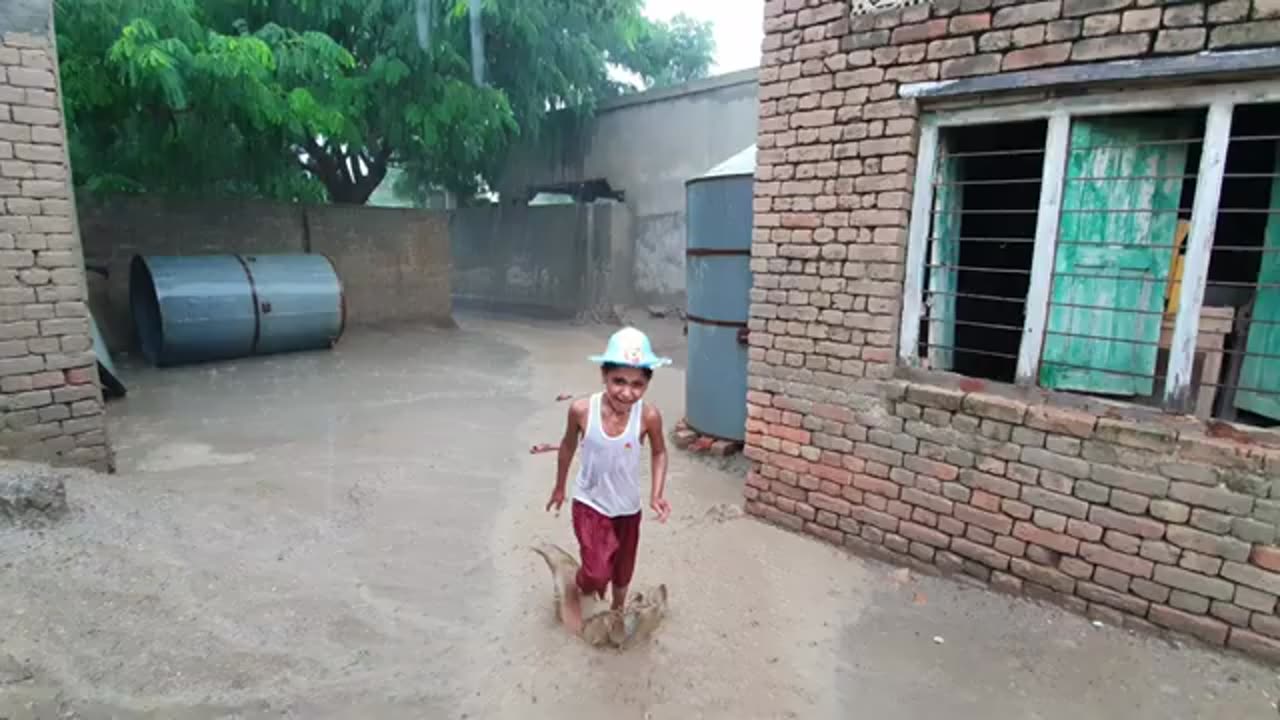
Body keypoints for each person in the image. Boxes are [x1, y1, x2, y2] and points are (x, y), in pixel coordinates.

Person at [545, 326, 672, 634]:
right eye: (619, 381)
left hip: (628, 508)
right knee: (597, 574)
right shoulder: (581, 410)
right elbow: (567, 447)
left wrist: (657, 493)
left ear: (647, 383)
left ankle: (616, 613)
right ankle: (576, 582)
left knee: (623, 570)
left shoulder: (648, 416)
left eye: (637, 384)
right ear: (604, 375)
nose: (627, 393)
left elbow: (659, 453)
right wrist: (560, 486)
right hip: (590, 504)